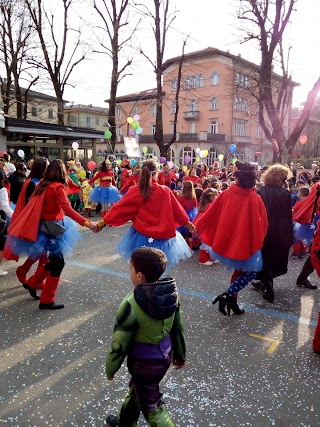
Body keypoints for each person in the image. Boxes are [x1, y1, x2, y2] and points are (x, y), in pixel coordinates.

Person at [105, 247, 186, 427]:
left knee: (152, 407)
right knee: (137, 392)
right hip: (164, 355)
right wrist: (180, 356)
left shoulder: (130, 304)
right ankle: (124, 423)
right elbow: (178, 328)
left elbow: (119, 344)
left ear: (139, 275)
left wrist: (110, 368)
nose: (130, 272)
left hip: (143, 363)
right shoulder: (171, 294)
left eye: (130, 268)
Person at [5, 159, 97, 309]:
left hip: (43, 229)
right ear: (61, 171)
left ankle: (34, 285)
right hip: (53, 230)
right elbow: (67, 209)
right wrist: (88, 223)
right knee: (57, 262)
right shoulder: (57, 187)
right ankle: (44, 297)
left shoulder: (42, 184)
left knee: (53, 261)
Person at [196, 161, 268, 316]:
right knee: (249, 272)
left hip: (230, 241)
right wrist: (259, 239)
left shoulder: (227, 194)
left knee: (239, 271)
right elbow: (264, 225)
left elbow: (211, 214)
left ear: (238, 177)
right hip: (246, 243)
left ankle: (231, 301)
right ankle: (228, 295)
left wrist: (199, 226)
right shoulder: (255, 199)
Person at [96, 159, 194, 269]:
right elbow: (178, 211)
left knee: (143, 268)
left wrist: (100, 223)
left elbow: (119, 209)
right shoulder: (164, 191)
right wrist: (189, 224)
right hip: (162, 238)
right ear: (156, 173)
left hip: (141, 236)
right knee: (157, 268)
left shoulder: (136, 190)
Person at [251, 164, 294, 303]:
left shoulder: (260, 192)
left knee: (264, 258)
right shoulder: (286, 194)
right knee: (273, 259)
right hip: (280, 231)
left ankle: (269, 290)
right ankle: (264, 284)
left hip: (265, 230)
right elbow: (288, 216)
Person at [6, 157, 50, 285]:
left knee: (43, 252)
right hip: (35, 221)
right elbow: (29, 205)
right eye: (46, 166)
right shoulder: (31, 182)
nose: (48, 169)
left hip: (43, 219)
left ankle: (34, 276)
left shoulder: (41, 181)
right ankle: (29, 274)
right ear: (41, 168)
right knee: (41, 252)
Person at [194, 188, 219, 265]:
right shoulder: (210, 205)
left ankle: (211, 257)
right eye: (215, 196)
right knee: (206, 243)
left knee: (210, 243)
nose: (217, 197)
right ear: (211, 197)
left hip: (208, 227)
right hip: (207, 228)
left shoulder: (206, 205)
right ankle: (203, 259)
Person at [176, 180, 198, 248]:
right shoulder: (194, 198)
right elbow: (195, 206)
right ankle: (190, 247)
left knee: (183, 233)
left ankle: (184, 247)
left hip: (183, 216)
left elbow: (178, 208)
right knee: (189, 233)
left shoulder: (180, 198)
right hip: (192, 216)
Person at [0, 170, 14, 276]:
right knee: (1, 245)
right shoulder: (2, 190)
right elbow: (5, 206)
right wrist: (15, 217)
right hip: (1, 218)